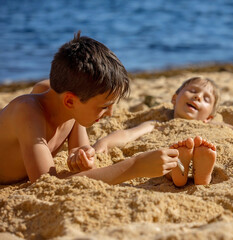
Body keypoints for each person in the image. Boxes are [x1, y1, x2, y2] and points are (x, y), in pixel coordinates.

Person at [0, 31, 179, 185]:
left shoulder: (65, 103)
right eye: (104, 106)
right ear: (70, 101)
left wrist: (83, 159)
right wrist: (135, 166)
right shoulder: (26, 112)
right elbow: (47, 183)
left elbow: (81, 154)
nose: (110, 113)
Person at [93, 76, 233, 186]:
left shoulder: (214, 125)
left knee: (209, 152)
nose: (198, 97)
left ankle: (201, 174)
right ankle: (183, 175)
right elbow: (127, 134)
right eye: (193, 91)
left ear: (208, 117)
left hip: (204, 153)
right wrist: (104, 143)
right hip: (173, 158)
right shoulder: (157, 124)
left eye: (206, 99)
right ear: (174, 98)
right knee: (169, 156)